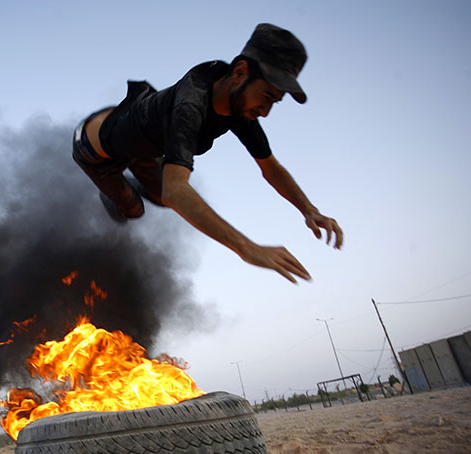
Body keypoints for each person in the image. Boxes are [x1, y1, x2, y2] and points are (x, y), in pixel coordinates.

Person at [72, 23, 343, 283]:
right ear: (240, 72)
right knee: (137, 208)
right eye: (266, 97)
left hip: (145, 145)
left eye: (275, 102)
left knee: (163, 198)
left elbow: (270, 167)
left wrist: (309, 210)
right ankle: (119, 194)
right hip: (97, 151)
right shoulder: (191, 105)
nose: (265, 112)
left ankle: (133, 180)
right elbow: (176, 191)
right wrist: (247, 248)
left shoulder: (237, 101)